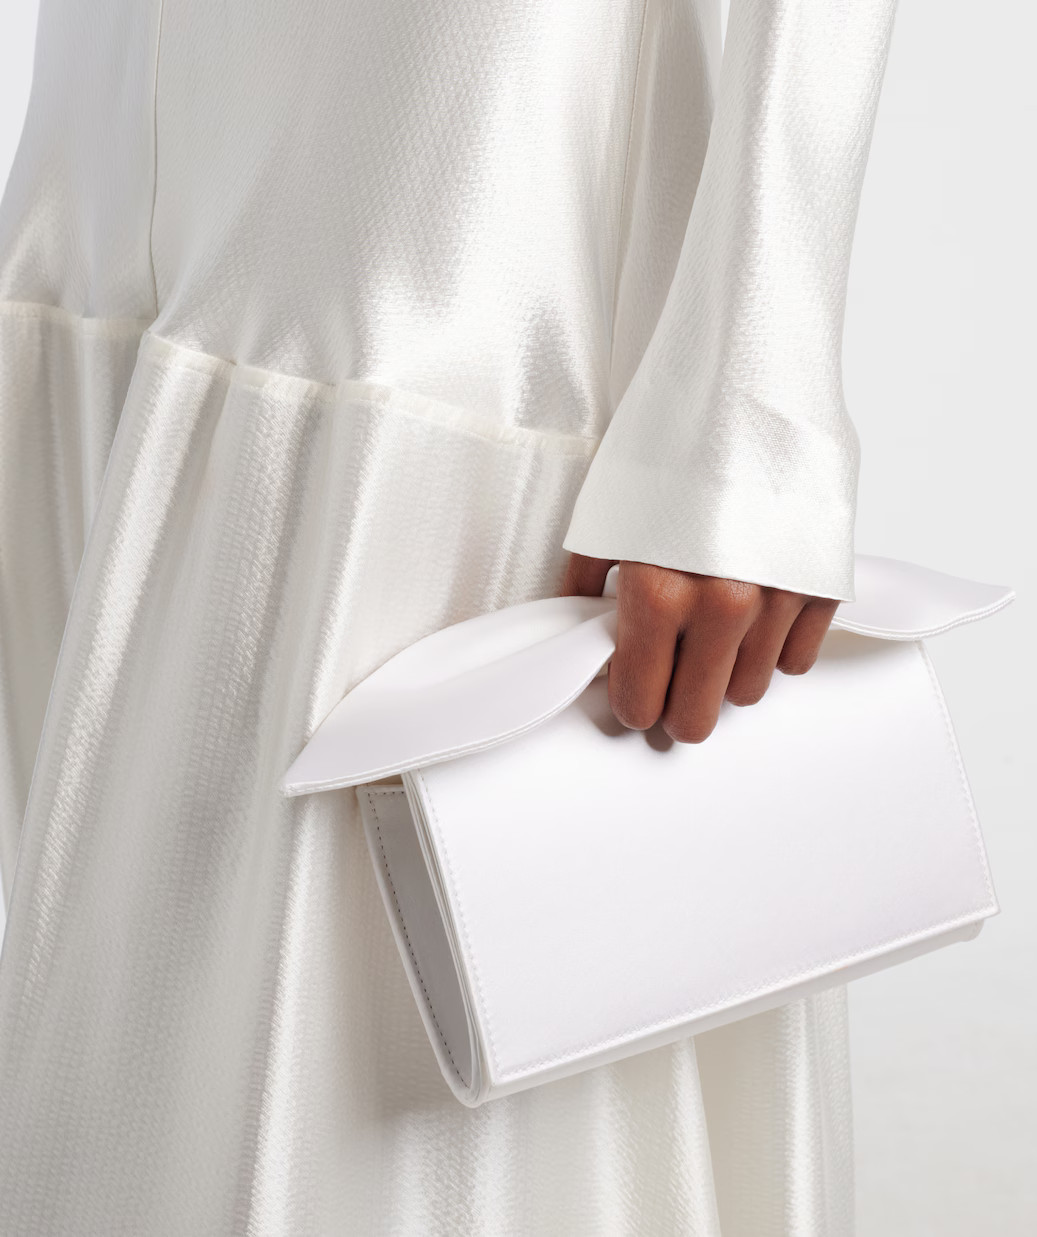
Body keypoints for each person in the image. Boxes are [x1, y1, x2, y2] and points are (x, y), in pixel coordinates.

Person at [0, 0, 897, 1231]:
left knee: (394, 1042)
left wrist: (752, 405)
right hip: (113, 129)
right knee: (138, 1044)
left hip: (455, 147)